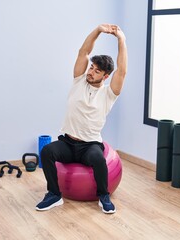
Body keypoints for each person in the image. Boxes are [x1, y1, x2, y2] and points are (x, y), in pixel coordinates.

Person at [36, 23, 127, 214]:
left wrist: (121, 39)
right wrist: (98, 31)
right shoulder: (78, 81)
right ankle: (54, 194)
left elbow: (122, 71)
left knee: (98, 159)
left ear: (105, 76)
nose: (90, 72)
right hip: (68, 142)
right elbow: (83, 52)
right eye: (91, 67)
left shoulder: (109, 94)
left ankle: (103, 196)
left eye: (96, 71)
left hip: (90, 145)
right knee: (47, 152)